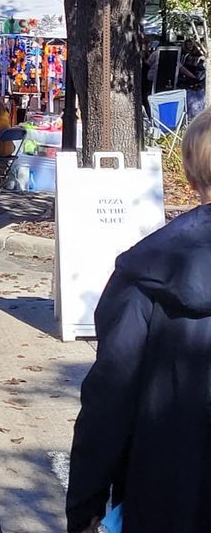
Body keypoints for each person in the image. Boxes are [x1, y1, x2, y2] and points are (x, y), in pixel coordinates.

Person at [66, 108, 211, 533]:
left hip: (163, 496)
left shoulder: (144, 270)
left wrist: (85, 507)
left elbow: (110, 397)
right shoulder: (143, 271)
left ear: (189, 177)